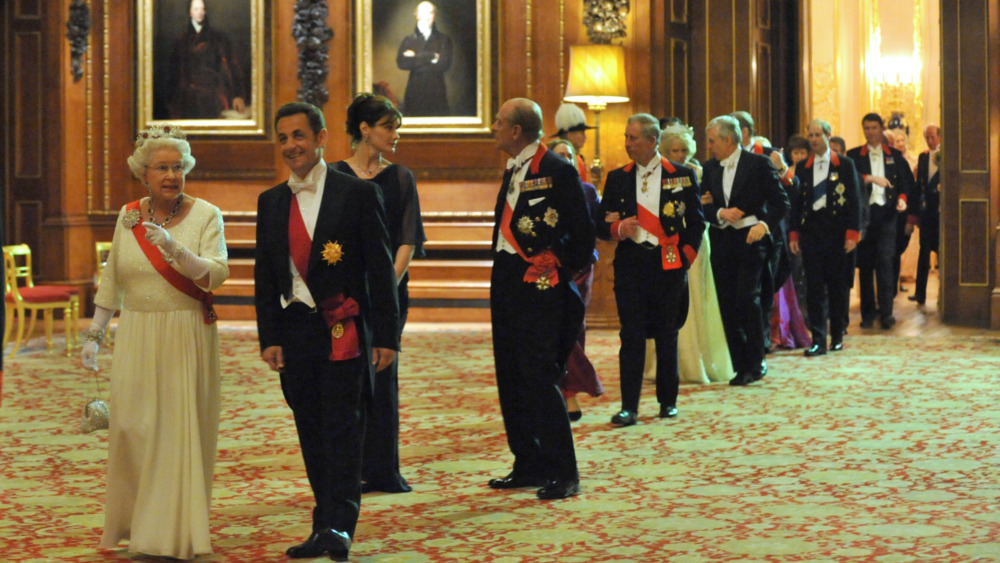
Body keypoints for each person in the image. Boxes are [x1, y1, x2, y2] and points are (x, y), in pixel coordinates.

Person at [254, 102, 399, 559]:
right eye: (282, 138)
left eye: (298, 135)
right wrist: (270, 337)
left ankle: (340, 525)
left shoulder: (354, 193)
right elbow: (264, 275)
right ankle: (324, 521)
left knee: (343, 429)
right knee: (311, 430)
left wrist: (387, 336)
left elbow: (379, 269)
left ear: (320, 139)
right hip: (296, 333)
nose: (290, 146)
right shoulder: (271, 201)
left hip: (344, 328)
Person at [82, 124, 230, 559]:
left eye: (177, 167)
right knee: (132, 429)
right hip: (137, 335)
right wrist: (94, 334)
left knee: (175, 433)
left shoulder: (207, 215)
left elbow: (216, 274)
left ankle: (167, 535)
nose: (171, 175)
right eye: (161, 168)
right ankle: (138, 523)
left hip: (184, 333)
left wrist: (174, 248)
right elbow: (113, 279)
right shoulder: (128, 215)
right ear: (142, 173)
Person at [487, 98, 594, 500]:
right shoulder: (513, 167)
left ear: (516, 131)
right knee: (511, 374)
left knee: (538, 375)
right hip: (507, 282)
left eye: (499, 122)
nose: (494, 127)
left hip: (541, 287)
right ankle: (527, 461)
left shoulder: (557, 170)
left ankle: (564, 472)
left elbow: (581, 235)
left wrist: (558, 265)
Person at [335, 93, 426, 493]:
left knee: (384, 373)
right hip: (343, 297)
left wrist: (385, 286)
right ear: (365, 129)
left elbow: (407, 239)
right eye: (390, 127)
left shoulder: (401, 177)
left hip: (389, 294)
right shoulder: (335, 176)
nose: (396, 135)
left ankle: (383, 468)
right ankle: (348, 467)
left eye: (398, 128)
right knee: (347, 375)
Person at [599, 114, 704, 426]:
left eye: (633, 138)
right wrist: (619, 227)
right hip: (631, 264)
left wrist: (684, 257)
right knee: (630, 335)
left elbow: (697, 223)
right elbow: (601, 223)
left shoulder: (682, 175)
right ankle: (629, 407)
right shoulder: (618, 177)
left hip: (668, 265)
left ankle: (667, 402)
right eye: (626, 137)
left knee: (666, 335)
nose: (627, 143)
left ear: (652, 141)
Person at [701, 115, 788, 386]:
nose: (708, 146)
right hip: (722, 242)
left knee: (747, 299)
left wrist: (763, 224)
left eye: (712, 140)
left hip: (752, 240)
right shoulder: (710, 168)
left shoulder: (758, 164)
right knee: (726, 304)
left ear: (728, 140)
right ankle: (740, 365)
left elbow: (780, 202)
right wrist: (718, 212)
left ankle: (756, 360)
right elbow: (702, 205)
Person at [659, 123, 733, 384]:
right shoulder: (658, 174)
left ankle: (699, 357)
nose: (680, 155)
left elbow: (715, 203)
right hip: (666, 241)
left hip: (696, 241)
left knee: (697, 296)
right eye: (674, 150)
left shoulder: (700, 172)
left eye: (683, 150)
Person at [789, 120, 863, 356]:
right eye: (810, 135)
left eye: (818, 135)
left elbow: (854, 201)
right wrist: (794, 233)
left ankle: (838, 335)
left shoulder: (844, 164)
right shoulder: (803, 167)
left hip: (837, 233)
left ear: (828, 136)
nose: (813, 139)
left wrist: (853, 233)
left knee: (838, 286)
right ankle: (819, 339)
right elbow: (796, 204)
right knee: (814, 287)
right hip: (812, 233)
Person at [547, 139, 605, 420]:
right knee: (554, 329)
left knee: (575, 328)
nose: (566, 159)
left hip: (581, 270)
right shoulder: (542, 191)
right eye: (560, 155)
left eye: (570, 155)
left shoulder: (588, 191)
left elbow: (598, 228)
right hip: (548, 269)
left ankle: (570, 389)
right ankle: (565, 393)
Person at [730, 111, 795, 358]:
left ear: (743, 132)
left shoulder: (767, 154)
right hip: (735, 235)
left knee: (765, 290)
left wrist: (782, 168)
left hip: (768, 232)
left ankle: (763, 341)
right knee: (740, 292)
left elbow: (792, 188)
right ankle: (745, 343)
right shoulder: (725, 159)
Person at [847, 112, 912, 329]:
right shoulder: (854, 155)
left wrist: (902, 201)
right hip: (865, 218)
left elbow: (905, 185)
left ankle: (886, 313)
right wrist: (869, 178)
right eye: (866, 128)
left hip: (887, 217)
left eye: (874, 128)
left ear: (882, 129)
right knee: (865, 267)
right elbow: (851, 179)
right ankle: (867, 314)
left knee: (885, 264)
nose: (870, 132)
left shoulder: (894, 154)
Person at [164, 0, 247, 119]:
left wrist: (237, 95)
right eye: (196, 9)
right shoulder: (180, 41)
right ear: (190, 12)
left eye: (202, 9)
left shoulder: (219, 39)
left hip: (215, 99)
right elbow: (172, 75)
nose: (199, 13)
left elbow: (232, 67)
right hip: (187, 101)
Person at [396, 1, 453, 116]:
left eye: (430, 13)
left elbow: (444, 64)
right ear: (416, 15)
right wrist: (431, 56)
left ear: (434, 16)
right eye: (423, 12)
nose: (427, 16)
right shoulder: (409, 40)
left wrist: (415, 57)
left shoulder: (444, 40)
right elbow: (402, 63)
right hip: (414, 92)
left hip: (436, 93)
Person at [908, 125, 942, 306]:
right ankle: (920, 293)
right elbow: (918, 185)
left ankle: (944, 294)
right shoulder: (923, 157)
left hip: (941, 214)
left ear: (940, 137)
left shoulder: (946, 156)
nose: (930, 141)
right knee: (923, 253)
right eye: (927, 138)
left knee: (942, 254)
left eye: (932, 137)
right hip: (926, 213)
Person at [553, 103, 595, 182]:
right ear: (570, 135)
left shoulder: (554, 158)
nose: (585, 137)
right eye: (582, 132)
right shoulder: (574, 160)